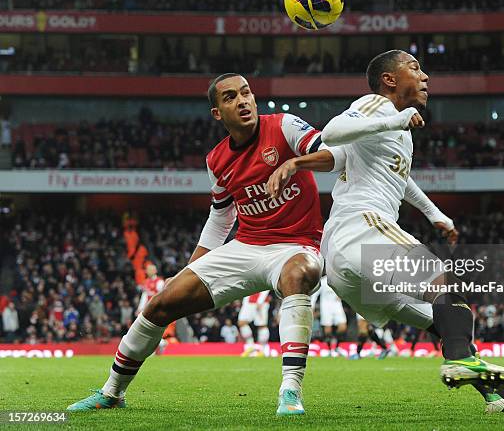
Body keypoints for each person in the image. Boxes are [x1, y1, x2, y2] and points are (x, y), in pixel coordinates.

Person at [266, 50, 504, 414]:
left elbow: (399, 180)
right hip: (363, 228)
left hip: (345, 264)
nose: (425, 78)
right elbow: (333, 131)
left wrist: (436, 215)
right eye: (415, 69)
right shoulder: (378, 106)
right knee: (443, 282)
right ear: (390, 80)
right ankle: (459, 361)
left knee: (443, 317)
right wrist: (396, 120)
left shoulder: (395, 132)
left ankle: (494, 397)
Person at [67, 73, 345, 416]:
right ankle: (112, 392)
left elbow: (335, 157)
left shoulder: (284, 126)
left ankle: (290, 390)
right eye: (230, 97)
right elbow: (221, 218)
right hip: (246, 247)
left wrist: (294, 162)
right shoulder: (217, 160)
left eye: (246, 93)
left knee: (298, 275)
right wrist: (190, 269)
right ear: (218, 113)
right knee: (161, 303)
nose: (242, 101)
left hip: (297, 246)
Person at [310, 276, 347, 356]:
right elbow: (315, 295)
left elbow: (345, 290)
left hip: (337, 306)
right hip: (326, 307)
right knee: (328, 329)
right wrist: (312, 307)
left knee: (343, 327)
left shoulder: (339, 280)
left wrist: (342, 295)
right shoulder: (322, 281)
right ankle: (330, 350)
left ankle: (336, 347)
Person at [238, 290, 271, 356]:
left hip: (261, 301)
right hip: (249, 299)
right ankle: (250, 347)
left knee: (262, 325)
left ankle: (262, 350)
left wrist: (260, 300)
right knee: (241, 322)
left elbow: (266, 283)